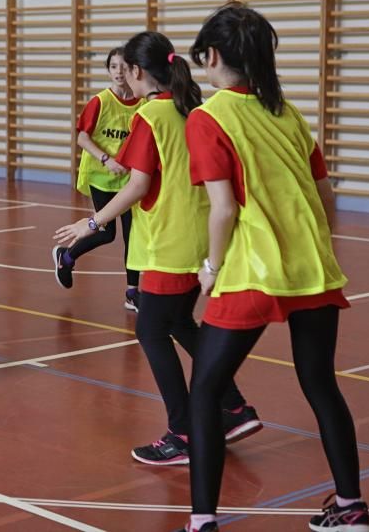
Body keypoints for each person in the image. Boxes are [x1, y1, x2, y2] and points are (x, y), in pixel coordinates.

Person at [183, 4, 369, 532]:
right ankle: (352, 508)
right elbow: (324, 193)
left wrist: (210, 267)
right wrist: (314, 245)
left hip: (251, 270)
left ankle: (202, 521)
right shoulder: (287, 112)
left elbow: (223, 208)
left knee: (205, 390)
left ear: (213, 56)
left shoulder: (208, 116)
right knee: (321, 383)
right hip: (312, 267)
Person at [55, 31, 260, 467]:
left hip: (169, 241)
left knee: (151, 331)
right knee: (180, 322)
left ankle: (183, 432)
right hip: (199, 236)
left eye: (125, 69)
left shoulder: (151, 116)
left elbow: (138, 184)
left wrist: (92, 222)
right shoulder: (195, 109)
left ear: (136, 71)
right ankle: (235, 408)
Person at [52, 46, 143, 311]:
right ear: (108, 70)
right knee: (106, 232)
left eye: (124, 67)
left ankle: (132, 292)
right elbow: (82, 137)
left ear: (133, 71)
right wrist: (106, 160)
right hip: (101, 176)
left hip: (127, 179)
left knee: (133, 236)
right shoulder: (100, 101)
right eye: (114, 67)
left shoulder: (142, 103)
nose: (118, 72)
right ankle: (66, 257)